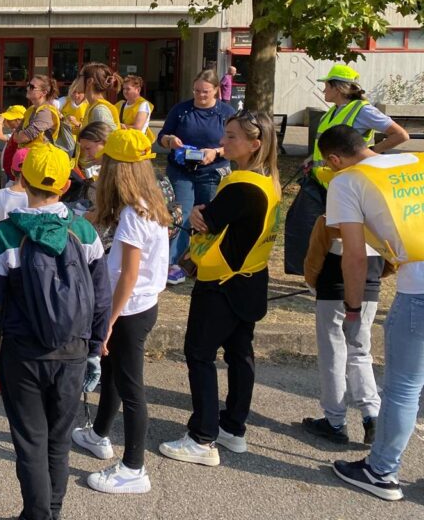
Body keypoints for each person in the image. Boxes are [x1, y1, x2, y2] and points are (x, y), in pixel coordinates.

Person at [0, 144, 110, 520]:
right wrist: (95, 347)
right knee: (58, 441)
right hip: (73, 351)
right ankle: (52, 512)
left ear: (22, 180)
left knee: (31, 442)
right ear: (65, 185)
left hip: (23, 354)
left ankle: (37, 514)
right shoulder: (84, 231)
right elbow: (100, 298)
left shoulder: (6, 235)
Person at [159, 111, 280, 467]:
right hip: (251, 277)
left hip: (222, 282)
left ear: (255, 144)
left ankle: (202, 437)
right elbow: (211, 216)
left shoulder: (241, 185)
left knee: (199, 354)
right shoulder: (267, 180)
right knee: (240, 354)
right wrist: (203, 214)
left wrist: (198, 214)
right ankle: (233, 427)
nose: (223, 142)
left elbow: (205, 220)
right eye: (225, 135)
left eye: (231, 137)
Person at [319, 125, 424, 502]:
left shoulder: (347, 181)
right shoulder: (415, 161)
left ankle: (381, 472)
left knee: (404, 388)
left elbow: (354, 256)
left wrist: (352, 308)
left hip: (419, 291)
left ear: (334, 160)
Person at [73, 129, 170, 495]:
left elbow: (129, 274)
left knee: (131, 388)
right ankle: (98, 433)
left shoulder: (133, 214)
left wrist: (109, 322)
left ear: (118, 168)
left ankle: (134, 467)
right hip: (140, 305)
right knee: (112, 374)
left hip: (128, 311)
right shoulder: (147, 202)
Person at [283, 63, 408, 276]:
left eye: (327, 85)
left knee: (343, 235)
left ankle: (354, 275)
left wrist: (371, 152)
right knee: (303, 224)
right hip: (321, 181)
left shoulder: (363, 110)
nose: (323, 89)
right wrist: (311, 159)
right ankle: (313, 275)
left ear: (338, 88)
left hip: (347, 184)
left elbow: (401, 135)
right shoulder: (332, 112)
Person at [301, 214, 386, 445]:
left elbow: (313, 261)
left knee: (333, 355)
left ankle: (335, 420)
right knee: (360, 353)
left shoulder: (328, 220)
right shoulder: (381, 219)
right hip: (369, 291)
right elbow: (392, 261)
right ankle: (373, 416)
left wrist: (313, 285)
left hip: (333, 291)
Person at [157, 70, 236, 285]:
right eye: (197, 91)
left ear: (216, 90)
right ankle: (175, 263)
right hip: (181, 171)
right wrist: (170, 141)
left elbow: (235, 144)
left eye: (205, 91)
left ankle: (204, 259)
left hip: (213, 172)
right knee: (181, 215)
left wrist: (215, 152)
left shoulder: (227, 113)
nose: (200, 95)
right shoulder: (181, 110)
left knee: (208, 216)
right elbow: (161, 137)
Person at [75, 122, 114, 212]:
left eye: (88, 148)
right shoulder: (107, 169)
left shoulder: (118, 173)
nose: (87, 155)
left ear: (104, 142)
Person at [14, 75, 62, 148]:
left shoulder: (46, 112)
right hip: (29, 152)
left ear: (44, 93)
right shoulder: (31, 109)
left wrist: (20, 136)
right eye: (28, 85)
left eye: (32, 87)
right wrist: (19, 136)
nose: (27, 88)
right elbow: (17, 133)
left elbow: (24, 137)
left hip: (42, 154)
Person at [79, 63, 122, 130]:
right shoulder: (92, 105)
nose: (76, 80)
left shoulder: (100, 110)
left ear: (89, 81)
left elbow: (109, 135)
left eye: (79, 76)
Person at [117, 74, 154, 142]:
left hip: (137, 143)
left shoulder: (143, 104)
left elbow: (137, 128)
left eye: (128, 89)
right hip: (123, 142)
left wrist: (120, 126)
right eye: (124, 89)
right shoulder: (120, 104)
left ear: (138, 90)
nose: (125, 91)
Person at [0, 104, 26, 183]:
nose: (7, 121)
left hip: (14, 176)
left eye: (9, 119)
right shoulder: (15, 133)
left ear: (18, 120)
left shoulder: (22, 135)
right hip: (9, 172)